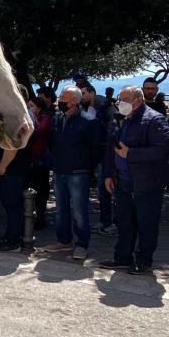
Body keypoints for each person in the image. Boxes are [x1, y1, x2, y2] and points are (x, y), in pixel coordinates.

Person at [100, 86, 169, 275]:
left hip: (146, 183)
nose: (119, 103)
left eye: (123, 99)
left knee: (146, 224)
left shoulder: (154, 120)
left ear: (137, 101)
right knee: (124, 222)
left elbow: (161, 150)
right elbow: (110, 148)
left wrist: (130, 153)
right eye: (118, 99)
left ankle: (143, 260)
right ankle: (122, 257)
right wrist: (108, 174)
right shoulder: (119, 119)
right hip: (122, 182)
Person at [44, 86, 98, 260]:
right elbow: (52, 143)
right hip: (59, 171)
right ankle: (64, 240)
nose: (60, 100)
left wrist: (88, 168)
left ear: (74, 101)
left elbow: (96, 149)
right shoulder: (57, 119)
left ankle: (82, 244)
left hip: (78, 172)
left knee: (79, 211)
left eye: (63, 97)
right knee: (61, 209)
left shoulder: (88, 121)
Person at [0, 85, 34, 252]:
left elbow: (12, 146)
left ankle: (13, 240)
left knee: (12, 205)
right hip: (16, 169)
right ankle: (12, 236)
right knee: (12, 205)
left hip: (13, 169)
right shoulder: (23, 115)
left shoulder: (20, 117)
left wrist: (2, 166)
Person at [81, 84, 117, 236]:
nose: (81, 96)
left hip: (106, 151)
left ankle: (110, 223)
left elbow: (109, 128)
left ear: (91, 92)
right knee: (102, 190)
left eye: (83, 93)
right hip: (98, 151)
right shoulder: (88, 106)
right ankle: (105, 220)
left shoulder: (102, 104)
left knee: (107, 188)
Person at [27, 95, 53, 230]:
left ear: (39, 107)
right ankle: (30, 216)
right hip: (30, 160)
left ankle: (41, 217)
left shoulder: (45, 119)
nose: (29, 108)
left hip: (41, 160)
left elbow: (39, 131)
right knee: (30, 189)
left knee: (41, 190)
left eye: (32, 106)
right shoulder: (32, 118)